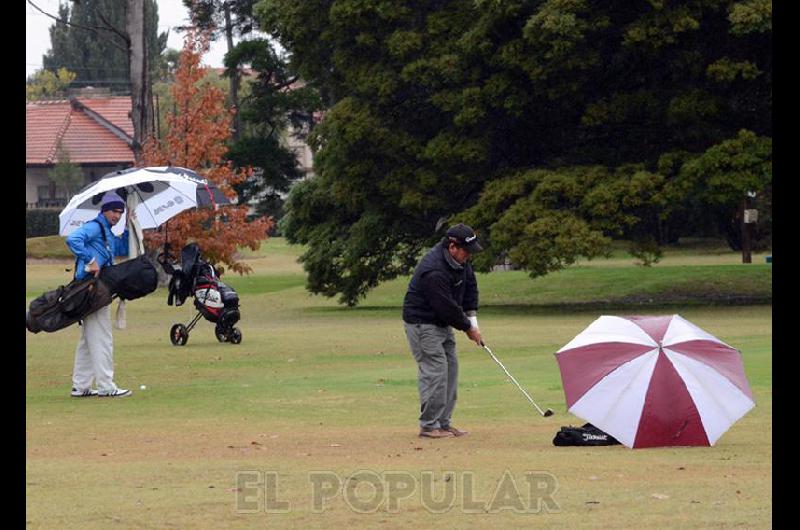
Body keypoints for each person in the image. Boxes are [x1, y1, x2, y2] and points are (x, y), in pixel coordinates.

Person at [402, 223, 483, 438]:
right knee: (435, 371)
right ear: (452, 246)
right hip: (422, 323)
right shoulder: (434, 270)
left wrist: (473, 319)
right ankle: (429, 426)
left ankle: (443, 423)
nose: (468, 256)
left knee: (451, 370)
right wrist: (467, 328)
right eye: (466, 251)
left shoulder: (460, 262)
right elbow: (445, 306)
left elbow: (470, 287)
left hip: (442, 323)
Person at [65, 192, 132, 398]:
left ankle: (81, 386)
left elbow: (120, 249)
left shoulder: (107, 231)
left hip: (95, 288)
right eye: (114, 211)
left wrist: (130, 228)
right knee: (102, 337)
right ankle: (106, 386)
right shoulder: (95, 226)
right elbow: (73, 239)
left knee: (88, 339)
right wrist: (90, 259)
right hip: (91, 288)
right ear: (104, 210)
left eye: (121, 212)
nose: (117, 215)